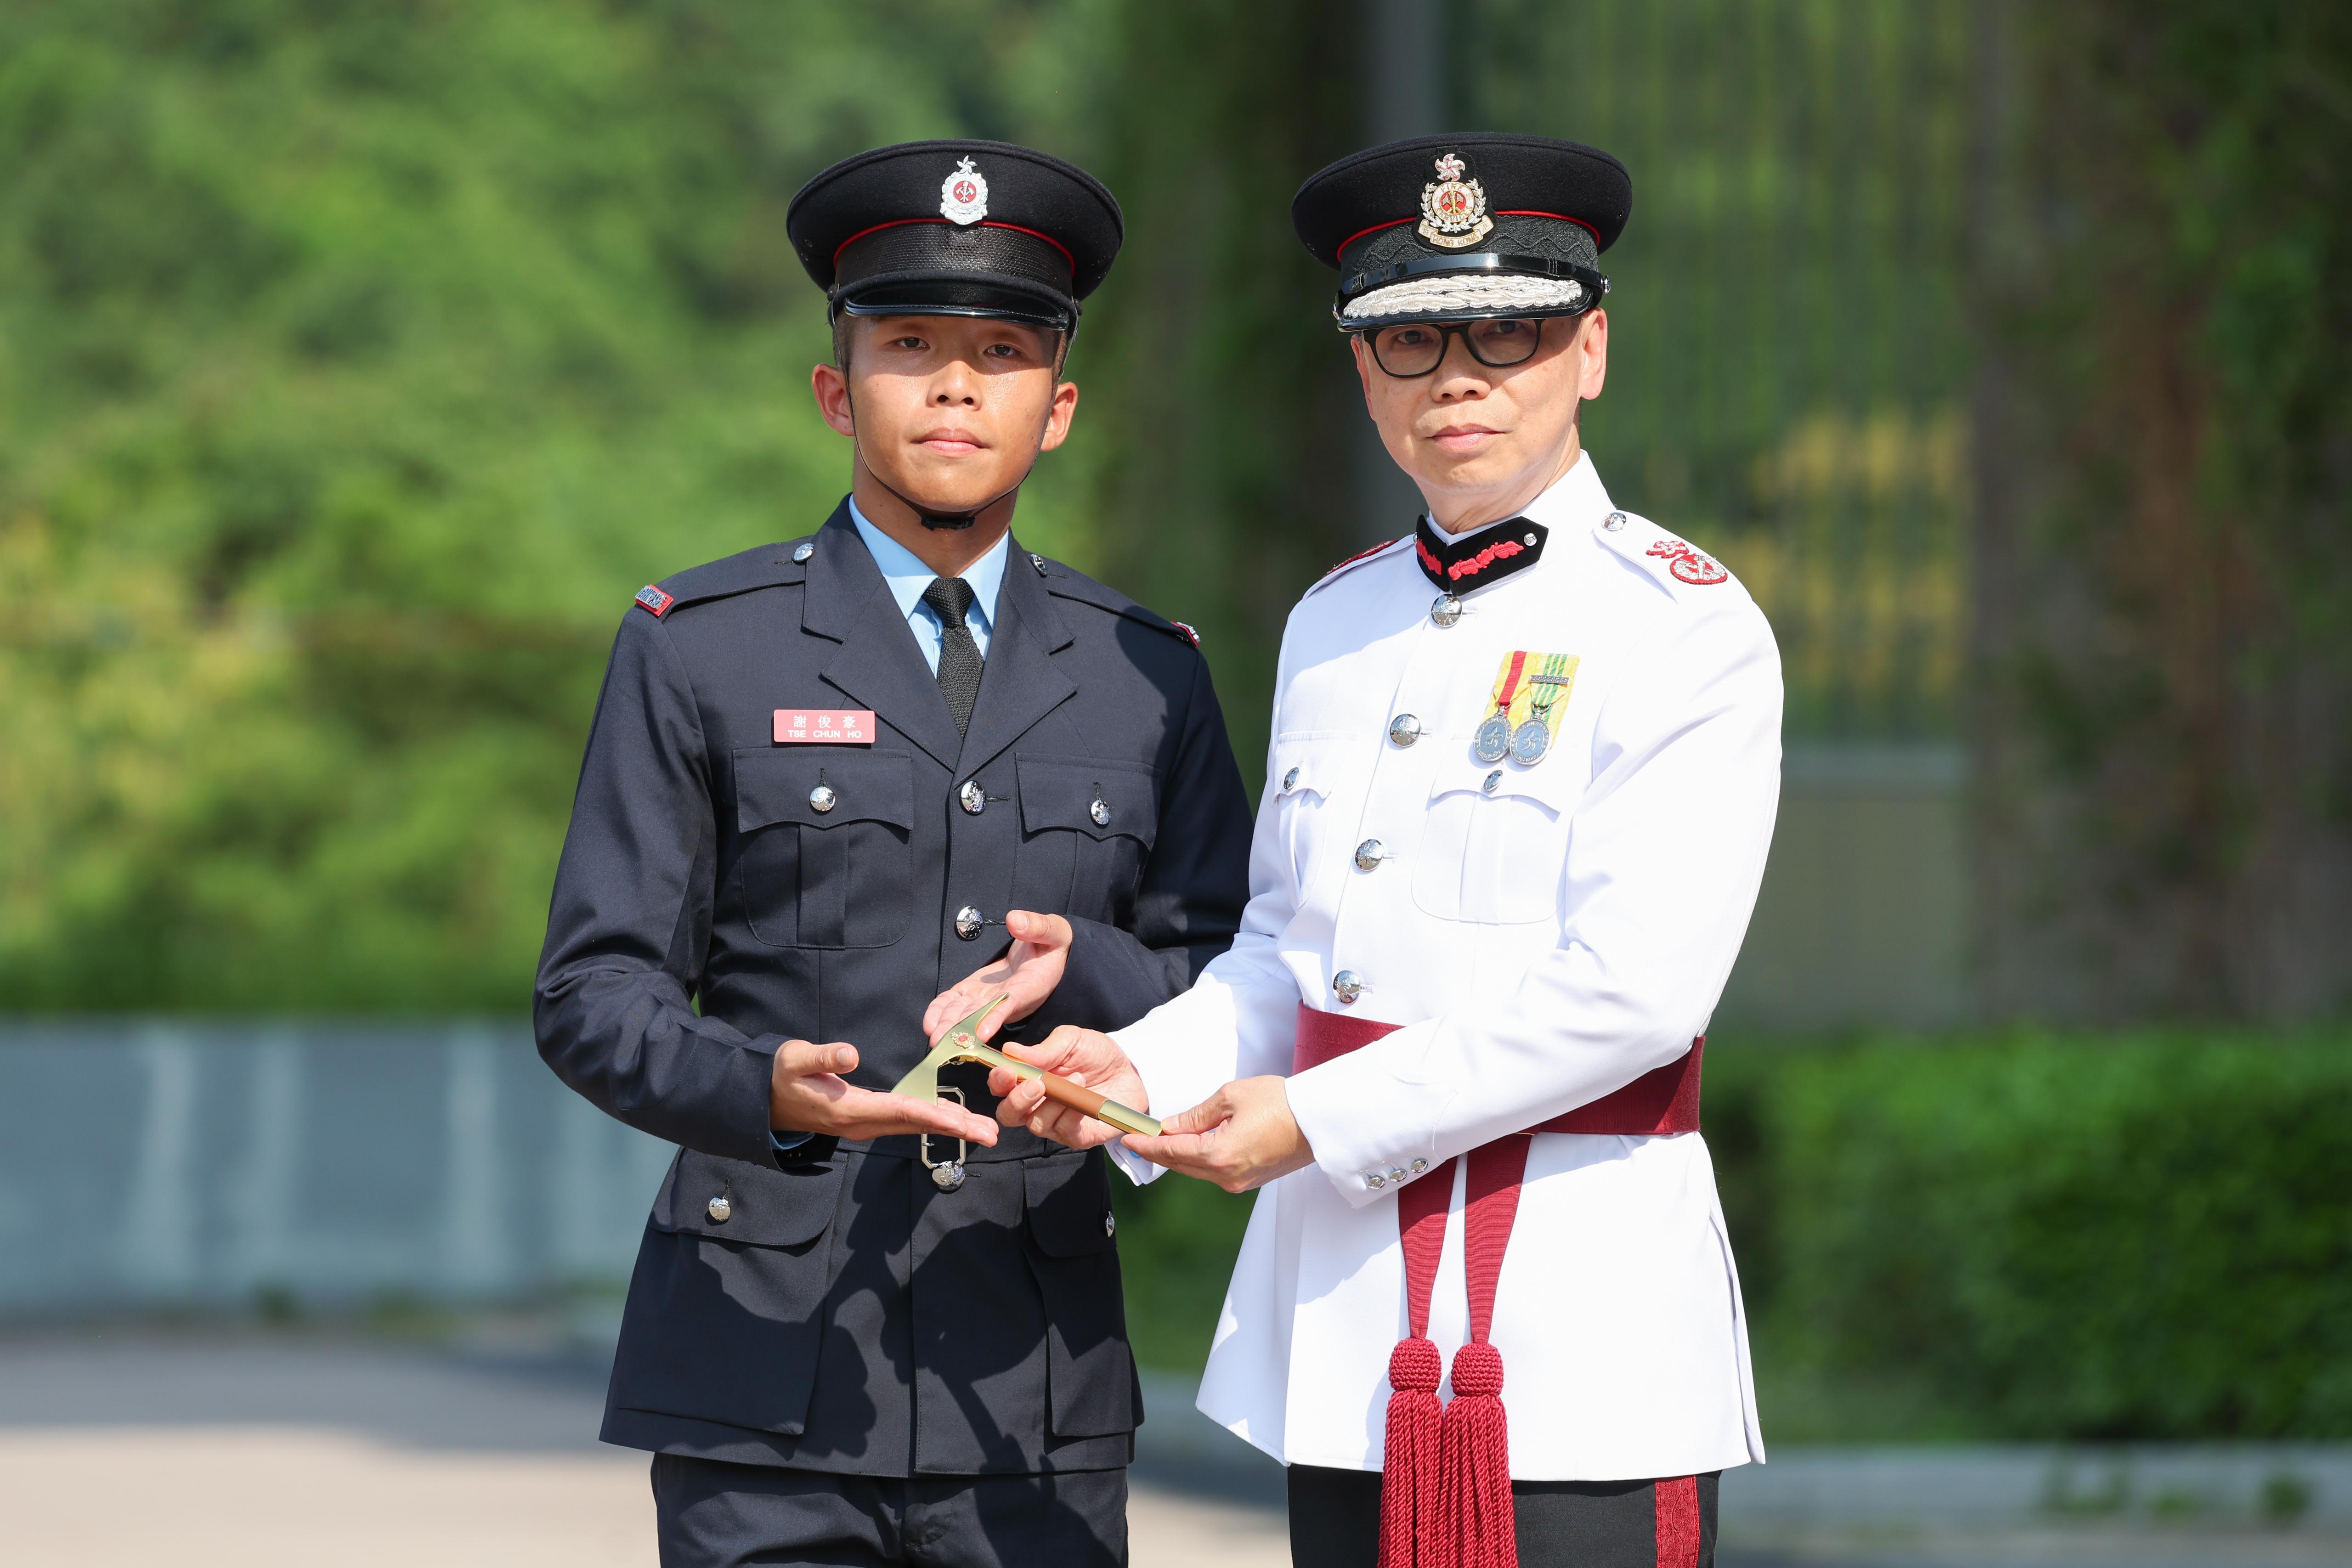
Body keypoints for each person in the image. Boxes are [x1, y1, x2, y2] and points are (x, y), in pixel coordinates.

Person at [974, 134, 1781, 1568]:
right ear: (1364, 372)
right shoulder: (1333, 622)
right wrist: (1146, 1069)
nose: (1458, 373)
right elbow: (1290, 949)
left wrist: (1319, 1124)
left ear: (1589, 350)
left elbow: (1638, 994)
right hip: (1348, 1333)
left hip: (1574, 1330)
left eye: (1510, 330)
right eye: (1410, 337)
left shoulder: (1687, 626)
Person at [534, 138, 1253, 1568]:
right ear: (833, 387)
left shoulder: (1148, 674)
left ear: (1058, 409)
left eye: (1001, 351)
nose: (954, 383)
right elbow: (590, 990)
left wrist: (1087, 969)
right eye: (909, 343)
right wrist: (769, 1092)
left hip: (1030, 1385)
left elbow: (1236, 967)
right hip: (761, 1373)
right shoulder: (701, 650)